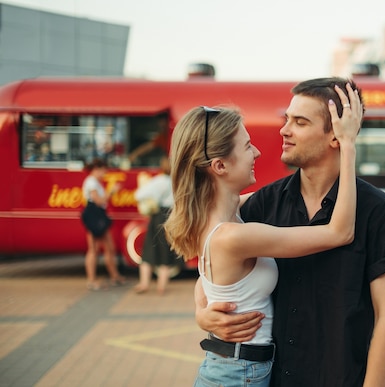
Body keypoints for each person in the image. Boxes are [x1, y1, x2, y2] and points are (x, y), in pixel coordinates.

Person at [195, 77, 385, 387]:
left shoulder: (380, 213)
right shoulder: (263, 204)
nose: (284, 130)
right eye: (287, 119)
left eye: (300, 122)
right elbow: (212, 265)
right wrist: (201, 312)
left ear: (336, 136)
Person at [164, 83, 361, 387]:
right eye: (246, 146)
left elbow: (207, 286)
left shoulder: (222, 215)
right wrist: (347, 144)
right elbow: (340, 232)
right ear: (219, 166)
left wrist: (202, 311)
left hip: (236, 369)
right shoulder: (233, 236)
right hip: (237, 375)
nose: (256, 151)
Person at [133, 156, 178, 295]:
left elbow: (139, 194)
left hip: (158, 216)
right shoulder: (177, 182)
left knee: (149, 251)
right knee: (166, 253)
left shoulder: (158, 181)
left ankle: (144, 283)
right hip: (171, 216)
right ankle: (161, 286)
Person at [81, 158, 125, 290]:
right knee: (94, 248)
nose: (104, 173)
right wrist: (111, 191)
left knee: (108, 247)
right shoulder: (91, 182)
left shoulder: (93, 182)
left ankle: (114, 276)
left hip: (96, 215)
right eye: (103, 170)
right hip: (95, 214)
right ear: (97, 169)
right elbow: (99, 201)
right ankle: (92, 280)